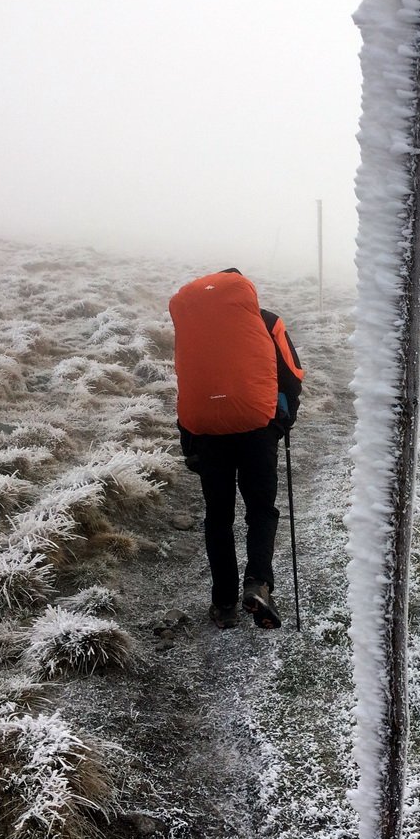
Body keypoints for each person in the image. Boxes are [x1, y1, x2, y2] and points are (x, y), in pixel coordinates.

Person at [169, 269, 303, 630]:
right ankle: (258, 584)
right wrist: (280, 424)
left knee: (219, 518)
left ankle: (224, 603)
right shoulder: (267, 321)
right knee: (261, 510)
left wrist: (190, 440)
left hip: (208, 432)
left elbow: (187, 379)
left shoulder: (194, 327)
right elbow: (292, 375)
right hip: (258, 429)